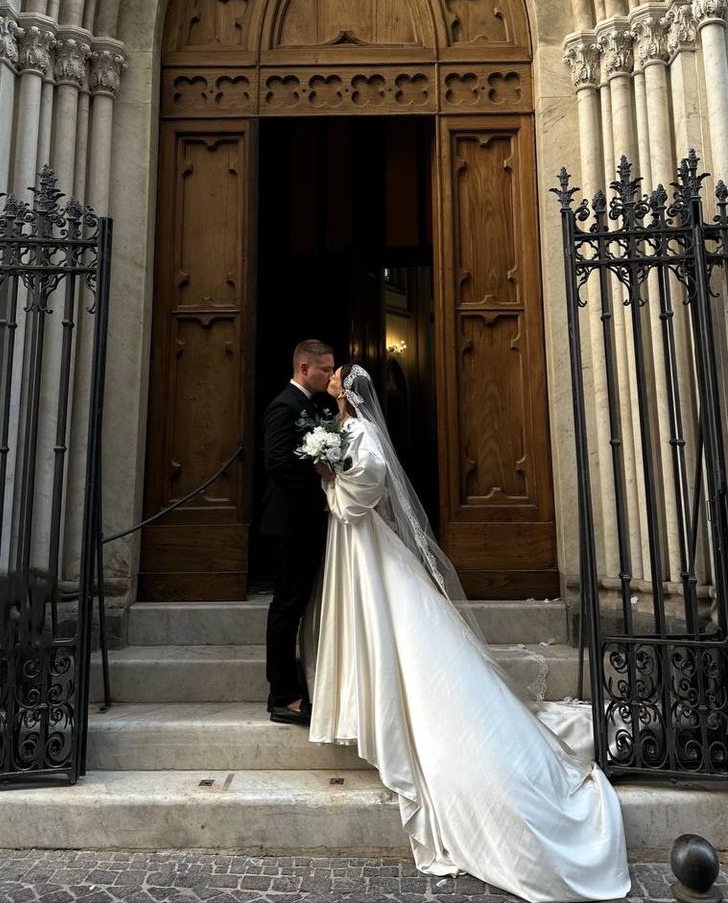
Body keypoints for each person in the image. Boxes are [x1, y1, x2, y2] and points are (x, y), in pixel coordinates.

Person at [305, 362, 631, 903]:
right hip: (355, 548)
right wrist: (330, 472)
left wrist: (334, 482)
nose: (333, 382)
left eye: (339, 377)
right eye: (333, 375)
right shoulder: (343, 427)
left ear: (350, 390)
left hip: (365, 543)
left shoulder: (359, 433)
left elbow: (368, 486)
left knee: (402, 634)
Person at [260, 339, 334, 725]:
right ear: (304, 368)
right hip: (289, 524)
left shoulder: (312, 405)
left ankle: (295, 684)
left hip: (303, 524)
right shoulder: (284, 406)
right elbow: (278, 464)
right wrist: (317, 499)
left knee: (298, 604)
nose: (329, 374)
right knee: (286, 608)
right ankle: (282, 696)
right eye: (324, 369)